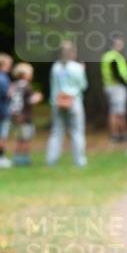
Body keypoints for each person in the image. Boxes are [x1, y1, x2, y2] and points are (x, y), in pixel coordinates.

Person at [46, 40, 88, 168]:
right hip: (74, 102)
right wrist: (83, 70)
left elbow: (54, 85)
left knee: (57, 131)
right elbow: (83, 85)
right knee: (77, 131)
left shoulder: (55, 67)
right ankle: (79, 160)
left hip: (57, 102)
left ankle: (51, 160)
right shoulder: (76, 67)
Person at [9, 62, 43, 166]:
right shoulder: (26, 86)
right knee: (26, 138)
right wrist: (37, 97)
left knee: (19, 139)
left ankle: (17, 158)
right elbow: (29, 101)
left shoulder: (14, 85)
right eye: (30, 73)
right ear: (24, 74)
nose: (31, 76)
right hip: (25, 117)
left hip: (17, 117)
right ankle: (24, 159)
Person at [101, 36, 127, 142]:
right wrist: (126, 83)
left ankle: (116, 135)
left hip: (108, 86)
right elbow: (117, 74)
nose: (121, 45)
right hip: (117, 87)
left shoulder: (106, 56)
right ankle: (120, 134)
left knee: (113, 111)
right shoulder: (115, 57)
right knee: (118, 112)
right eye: (119, 43)